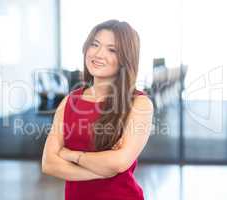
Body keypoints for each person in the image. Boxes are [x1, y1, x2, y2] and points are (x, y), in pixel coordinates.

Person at [41, 19, 154, 200]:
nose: (99, 54)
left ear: (125, 58)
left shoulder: (139, 104)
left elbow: (119, 163)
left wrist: (71, 155)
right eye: (95, 45)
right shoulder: (70, 102)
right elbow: (49, 163)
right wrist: (101, 171)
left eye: (112, 49)